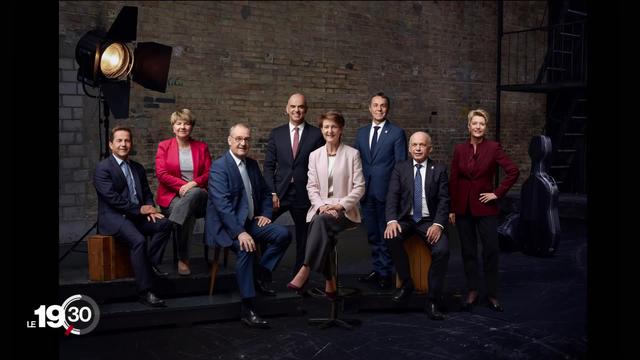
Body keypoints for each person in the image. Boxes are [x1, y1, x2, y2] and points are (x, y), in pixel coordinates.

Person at [205, 123, 291, 329]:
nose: (243, 143)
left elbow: (264, 193)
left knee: (283, 234)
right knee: (246, 248)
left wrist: (266, 214)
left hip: (251, 221)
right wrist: (240, 232)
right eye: (238, 139)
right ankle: (248, 306)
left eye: (246, 139)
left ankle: (260, 274)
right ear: (229, 140)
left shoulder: (251, 164)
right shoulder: (219, 167)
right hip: (228, 227)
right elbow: (223, 207)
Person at [287, 111, 365, 298]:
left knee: (319, 223)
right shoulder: (314, 156)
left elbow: (360, 187)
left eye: (334, 127)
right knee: (323, 226)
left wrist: (339, 206)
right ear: (322, 130)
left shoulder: (352, 154)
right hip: (320, 209)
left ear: (341, 130)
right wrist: (321, 206)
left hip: (345, 212)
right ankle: (330, 281)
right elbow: (311, 186)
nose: (330, 131)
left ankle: (305, 268)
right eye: (326, 127)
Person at [449, 109, 520, 312]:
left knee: (491, 250)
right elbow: (454, 179)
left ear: (485, 127)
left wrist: (497, 193)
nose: (478, 127)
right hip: (463, 208)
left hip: (485, 208)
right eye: (475, 123)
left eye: (482, 124)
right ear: (469, 126)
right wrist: (453, 209)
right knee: (468, 251)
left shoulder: (493, 148)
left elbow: (513, 171)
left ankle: (491, 293)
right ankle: (473, 290)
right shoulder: (460, 149)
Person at [94, 126, 172, 307]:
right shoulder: (103, 168)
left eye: (127, 140)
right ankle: (145, 292)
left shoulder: (137, 167)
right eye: (119, 141)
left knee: (165, 224)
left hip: (137, 216)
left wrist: (151, 208)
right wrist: (140, 210)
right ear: (111, 144)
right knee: (138, 240)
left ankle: (149, 264)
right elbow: (113, 199)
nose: (123, 144)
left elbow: (145, 193)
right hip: (114, 217)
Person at [384, 132, 450, 320]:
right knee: (390, 236)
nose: (418, 148)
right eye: (414, 145)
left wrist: (438, 224)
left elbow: (445, 200)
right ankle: (407, 284)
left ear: (430, 148)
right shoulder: (400, 168)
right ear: (410, 148)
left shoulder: (439, 169)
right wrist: (391, 220)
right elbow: (392, 197)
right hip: (406, 219)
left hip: (429, 221)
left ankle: (432, 300)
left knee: (442, 250)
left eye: (422, 145)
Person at [264, 93, 324, 275]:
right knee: (260, 229)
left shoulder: (316, 134)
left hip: (304, 194)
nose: (296, 110)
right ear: (287, 109)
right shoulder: (276, 133)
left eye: (300, 107)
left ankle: (299, 279)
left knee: (303, 238)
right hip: (279, 193)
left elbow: (321, 168)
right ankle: (261, 272)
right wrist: (272, 193)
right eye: (293, 106)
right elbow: (268, 167)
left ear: (306, 109)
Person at [354, 92, 407, 289]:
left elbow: (401, 166)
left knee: (386, 234)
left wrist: (396, 193)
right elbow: (355, 162)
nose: (379, 109)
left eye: (383, 105)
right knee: (373, 234)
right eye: (375, 105)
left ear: (387, 109)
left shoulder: (396, 133)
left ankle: (386, 272)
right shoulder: (361, 133)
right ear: (370, 108)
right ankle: (377, 268)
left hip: (387, 192)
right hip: (366, 192)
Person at [155, 109, 211, 276]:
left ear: (191, 127)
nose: (183, 127)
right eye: (179, 123)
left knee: (194, 194)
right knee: (188, 214)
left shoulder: (201, 147)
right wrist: (182, 186)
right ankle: (183, 259)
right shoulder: (164, 146)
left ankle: (169, 225)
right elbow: (161, 174)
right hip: (172, 197)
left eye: (186, 123)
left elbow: (209, 173)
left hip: (200, 196)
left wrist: (192, 184)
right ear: (173, 127)